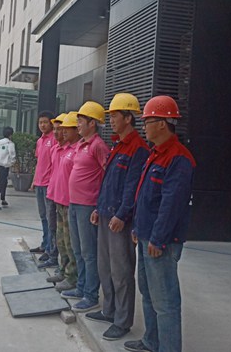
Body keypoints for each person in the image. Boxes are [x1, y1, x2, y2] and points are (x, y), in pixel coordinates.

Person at [124, 96, 196, 352]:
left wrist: (157, 238)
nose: (144, 126)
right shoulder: (156, 154)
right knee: (148, 293)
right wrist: (138, 228)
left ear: (163, 124)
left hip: (160, 242)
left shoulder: (178, 159)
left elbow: (171, 205)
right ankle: (151, 341)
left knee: (165, 302)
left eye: (148, 121)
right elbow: (145, 196)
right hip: (146, 236)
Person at [87, 93, 150, 341]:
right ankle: (109, 310)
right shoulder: (117, 145)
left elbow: (132, 187)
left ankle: (122, 321)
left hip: (119, 220)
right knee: (105, 267)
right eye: (110, 116)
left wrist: (123, 215)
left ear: (128, 117)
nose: (111, 120)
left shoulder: (138, 149)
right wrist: (98, 207)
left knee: (121, 271)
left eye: (114, 116)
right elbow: (107, 182)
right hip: (105, 214)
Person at [61, 101, 110, 313]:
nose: (78, 124)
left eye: (81, 121)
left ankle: (91, 295)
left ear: (92, 123)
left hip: (87, 206)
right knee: (78, 249)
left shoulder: (99, 146)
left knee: (89, 252)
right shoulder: (81, 145)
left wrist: (100, 206)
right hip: (74, 204)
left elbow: (108, 176)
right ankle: (81, 287)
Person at [50, 111, 80, 293]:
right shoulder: (63, 150)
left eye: (66, 128)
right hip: (59, 200)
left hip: (70, 202)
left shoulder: (75, 150)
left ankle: (72, 276)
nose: (62, 131)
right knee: (61, 240)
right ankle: (63, 270)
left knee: (70, 242)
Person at [41, 113, 67, 270]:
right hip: (52, 192)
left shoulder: (71, 150)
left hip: (64, 197)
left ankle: (62, 263)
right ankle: (51, 254)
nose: (56, 132)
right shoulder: (55, 149)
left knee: (64, 233)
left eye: (60, 129)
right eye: (55, 129)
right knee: (52, 225)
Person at [30, 111, 56, 259]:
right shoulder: (40, 141)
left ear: (51, 123)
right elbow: (39, 162)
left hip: (48, 184)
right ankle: (44, 244)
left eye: (45, 122)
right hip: (39, 184)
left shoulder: (54, 139)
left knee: (49, 217)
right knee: (42, 216)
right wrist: (34, 180)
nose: (42, 125)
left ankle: (50, 249)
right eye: (40, 122)